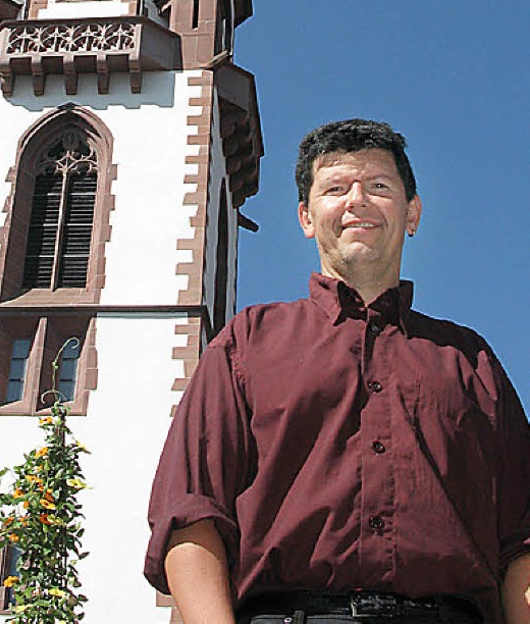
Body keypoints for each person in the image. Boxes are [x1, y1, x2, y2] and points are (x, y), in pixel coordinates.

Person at [145, 119, 530, 624]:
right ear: (306, 216)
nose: (357, 201)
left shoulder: (470, 360)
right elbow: (191, 514)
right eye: (335, 189)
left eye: (378, 186)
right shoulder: (245, 342)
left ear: (412, 213)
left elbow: (520, 539)